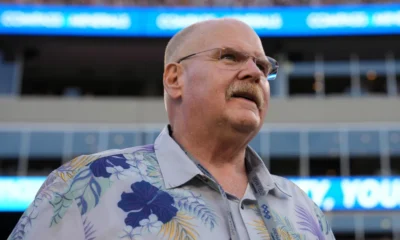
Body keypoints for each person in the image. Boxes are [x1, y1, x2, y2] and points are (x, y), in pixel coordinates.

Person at [8, 18, 336, 240]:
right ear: (174, 79)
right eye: (230, 57)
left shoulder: (303, 209)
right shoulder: (87, 183)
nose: (254, 72)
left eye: (263, 65)